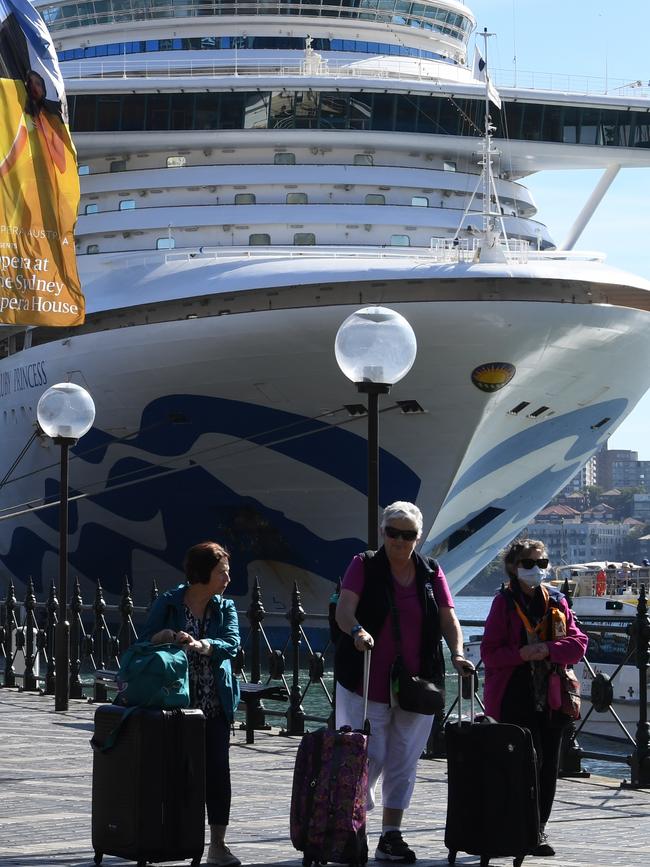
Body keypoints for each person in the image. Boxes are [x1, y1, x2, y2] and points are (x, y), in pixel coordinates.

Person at [335, 501, 473, 864]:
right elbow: (344, 608)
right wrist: (357, 630)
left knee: (404, 760)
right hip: (367, 681)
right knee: (368, 756)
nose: (399, 540)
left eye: (407, 534)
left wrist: (457, 653)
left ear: (418, 536)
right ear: (383, 533)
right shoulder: (363, 565)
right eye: (392, 533)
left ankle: (391, 834)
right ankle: (353, 826)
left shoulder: (431, 571)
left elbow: (449, 617)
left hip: (416, 684)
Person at [481, 539, 587, 858]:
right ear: (514, 567)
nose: (536, 569)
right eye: (529, 563)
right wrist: (522, 654)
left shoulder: (556, 599)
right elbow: (490, 653)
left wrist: (548, 649)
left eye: (542, 563)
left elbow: (579, 642)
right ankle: (514, 828)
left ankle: (537, 830)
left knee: (548, 765)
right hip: (515, 693)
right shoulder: (503, 603)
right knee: (522, 763)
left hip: (553, 695)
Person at [141, 541, 241, 867]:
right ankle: (168, 838)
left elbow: (232, 644)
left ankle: (218, 845)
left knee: (217, 773)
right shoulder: (170, 603)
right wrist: (169, 636)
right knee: (174, 772)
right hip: (175, 705)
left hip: (215, 704)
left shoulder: (224, 608)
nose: (227, 578)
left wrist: (203, 645)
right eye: (221, 572)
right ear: (202, 573)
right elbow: (144, 641)